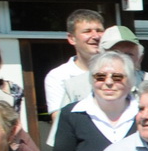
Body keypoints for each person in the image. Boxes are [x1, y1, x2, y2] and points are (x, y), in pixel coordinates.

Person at [43, 8, 104, 141]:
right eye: (87, 31)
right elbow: (60, 120)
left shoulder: (117, 71)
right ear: (71, 38)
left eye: (99, 30)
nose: (96, 36)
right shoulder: (58, 76)